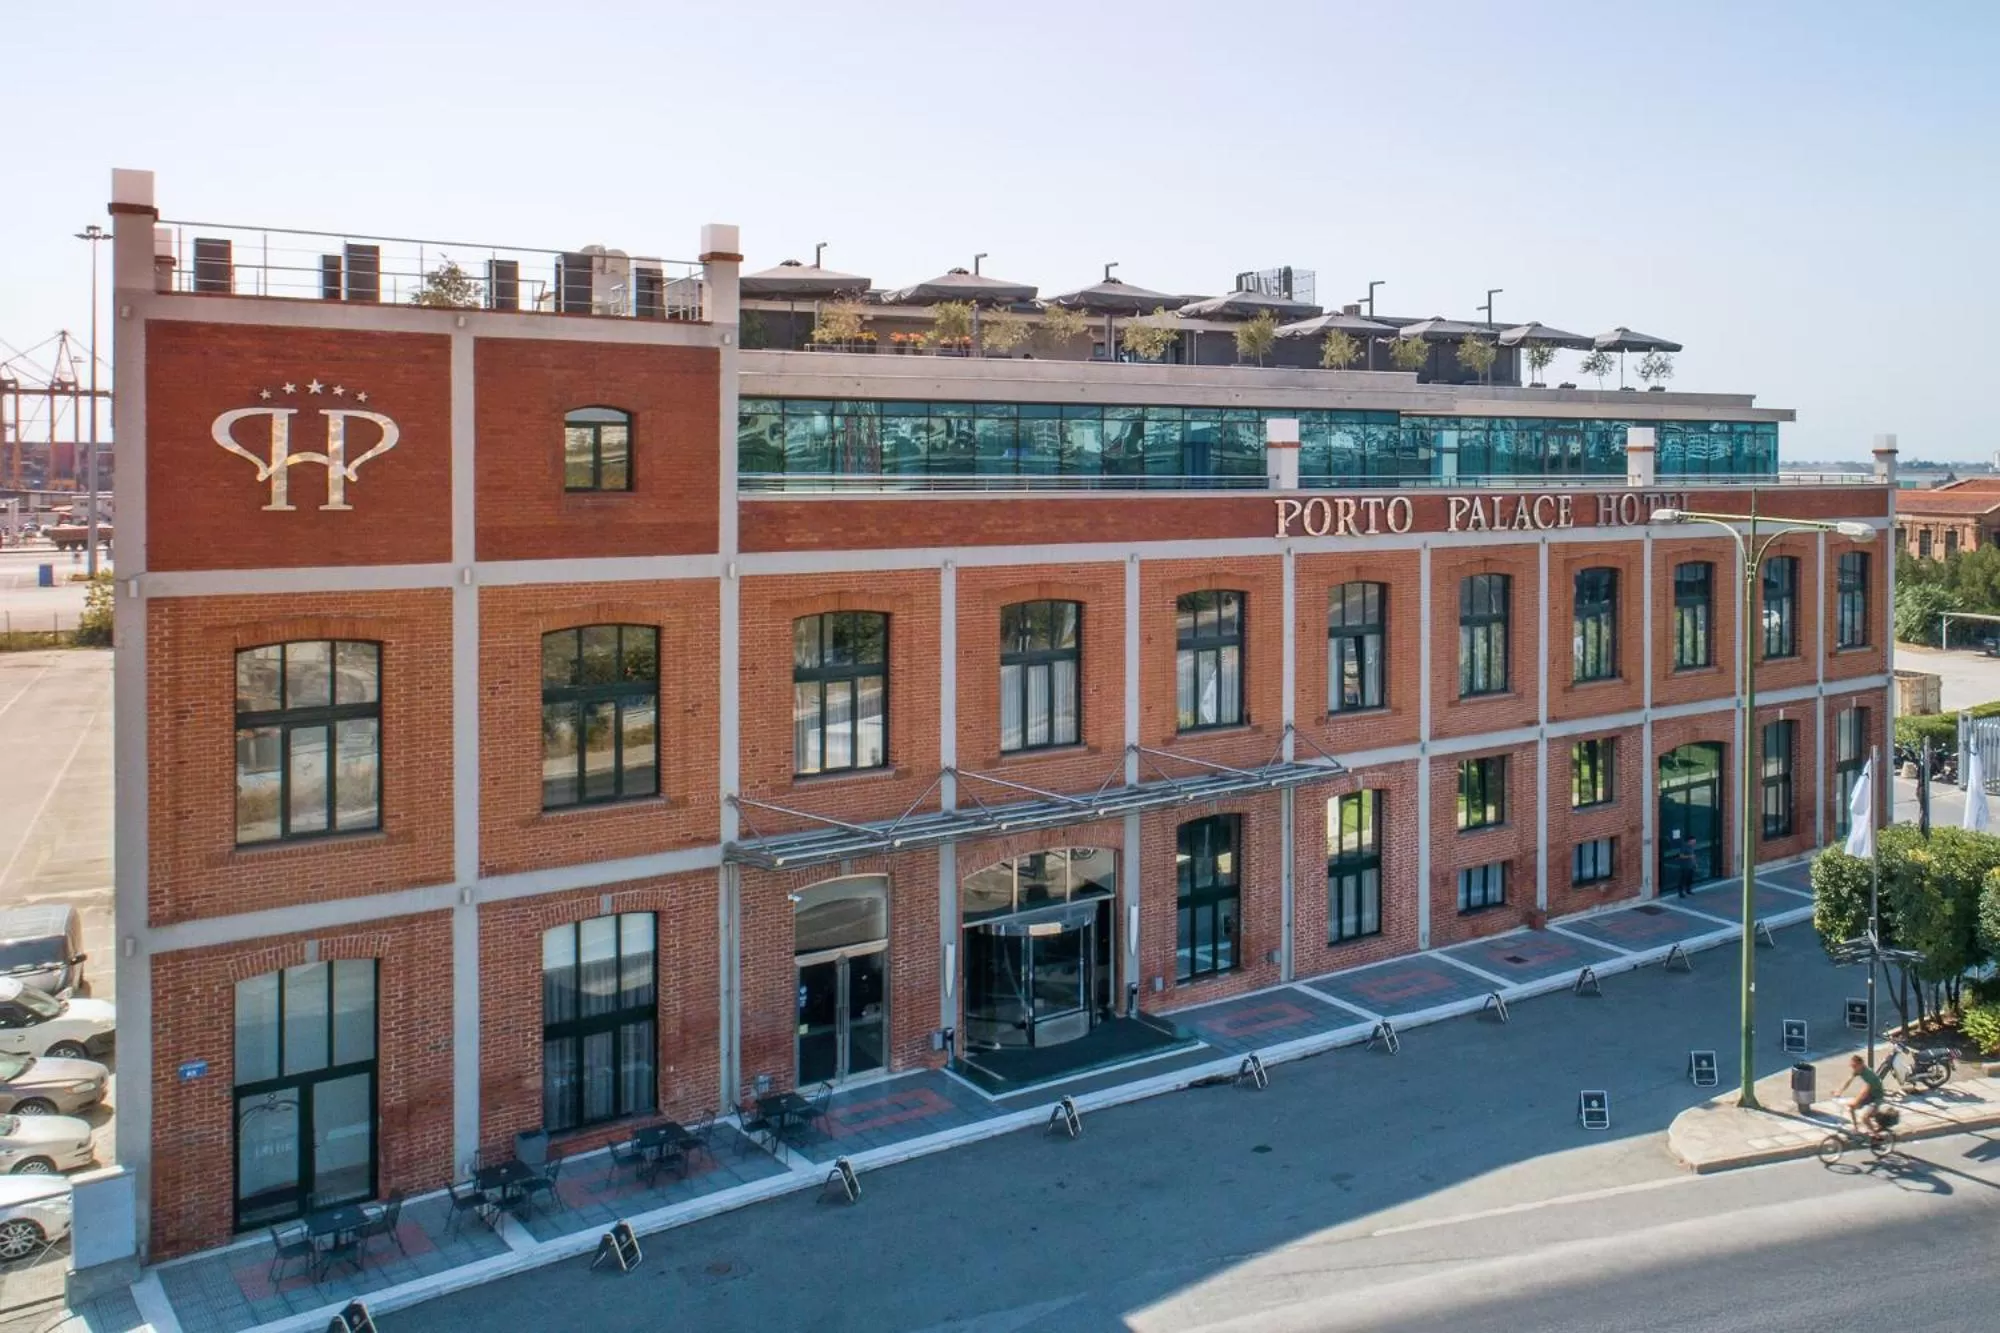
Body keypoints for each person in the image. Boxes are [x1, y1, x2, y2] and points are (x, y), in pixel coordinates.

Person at [1836, 1053, 1886, 1134]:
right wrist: (1839, 1091)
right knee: (1851, 1107)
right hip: (1870, 1094)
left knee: (1865, 1118)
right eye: (1852, 1066)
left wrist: (1857, 1100)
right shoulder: (1858, 1070)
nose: (1853, 1068)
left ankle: (1877, 1137)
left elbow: (1865, 1092)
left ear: (1861, 1064)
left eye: (1855, 1066)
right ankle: (1856, 1129)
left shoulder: (1869, 1074)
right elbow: (1849, 1080)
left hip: (1877, 1097)